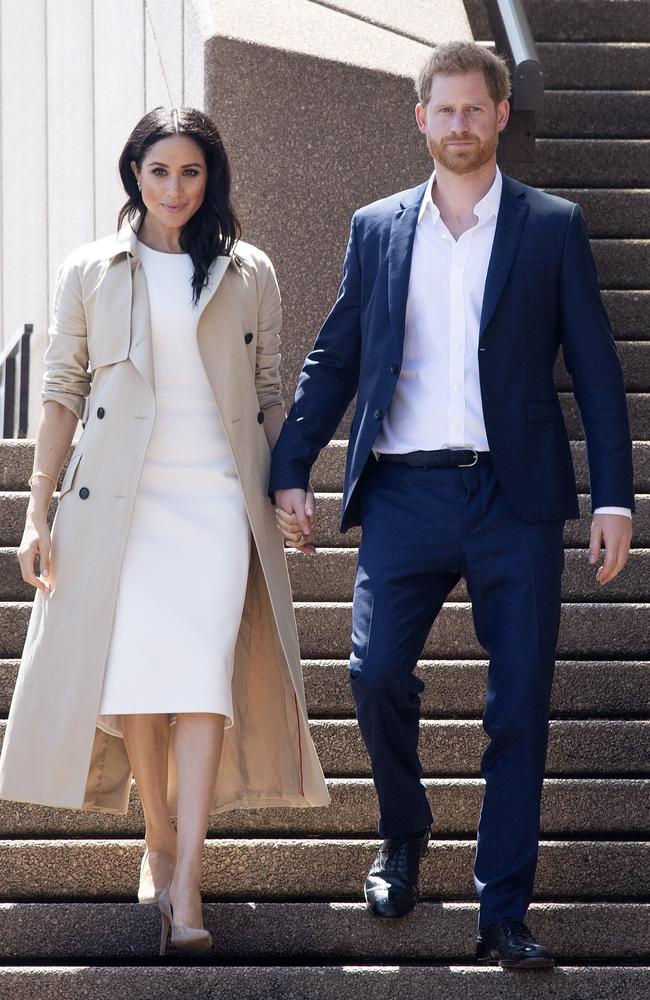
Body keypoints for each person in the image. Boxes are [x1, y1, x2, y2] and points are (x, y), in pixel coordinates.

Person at [270, 42, 633, 969]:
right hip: (404, 490)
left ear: (501, 116)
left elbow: (594, 369)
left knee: (519, 707)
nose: (462, 126)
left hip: (515, 500)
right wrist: (290, 467)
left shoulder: (552, 226)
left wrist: (614, 499)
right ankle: (404, 834)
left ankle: (503, 909)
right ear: (420, 117)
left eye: (478, 110)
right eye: (447, 111)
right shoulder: (378, 227)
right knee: (374, 672)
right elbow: (334, 358)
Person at [0, 106, 328, 956]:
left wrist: (288, 484)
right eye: (159, 172)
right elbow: (63, 388)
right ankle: (157, 841)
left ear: (210, 177)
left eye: (191, 172)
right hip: (121, 503)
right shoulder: (92, 269)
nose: (175, 188)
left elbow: (268, 390)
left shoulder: (247, 268)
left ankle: (187, 880)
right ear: (133, 176)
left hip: (217, 503)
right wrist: (37, 509)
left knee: (201, 680)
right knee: (141, 682)